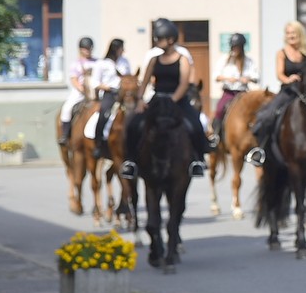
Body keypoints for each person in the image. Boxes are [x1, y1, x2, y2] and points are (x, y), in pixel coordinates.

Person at [121, 18, 211, 178]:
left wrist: (172, 100)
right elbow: (145, 81)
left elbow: (184, 84)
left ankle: (198, 160)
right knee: (133, 124)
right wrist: (140, 100)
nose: (157, 41)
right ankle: (131, 161)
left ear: (170, 40)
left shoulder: (182, 59)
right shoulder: (154, 60)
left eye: (160, 39)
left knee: (195, 124)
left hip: (177, 99)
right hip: (157, 99)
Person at [246, 21, 306, 166]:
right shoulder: (281, 53)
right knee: (267, 115)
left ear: (299, 34)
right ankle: (260, 150)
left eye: (293, 33)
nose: (290, 36)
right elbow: (279, 74)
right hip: (288, 91)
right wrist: (289, 79)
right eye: (288, 33)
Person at [213, 33, 259, 137]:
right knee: (220, 109)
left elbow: (256, 77)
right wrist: (228, 79)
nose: (235, 49)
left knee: (255, 111)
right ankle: (216, 136)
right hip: (229, 92)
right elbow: (216, 76)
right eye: (234, 47)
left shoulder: (249, 61)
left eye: (238, 47)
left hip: (243, 93)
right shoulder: (225, 60)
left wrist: (247, 79)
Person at [91, 38, 131, 154]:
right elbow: (95, 82)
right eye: (122, 48)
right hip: (110, 93)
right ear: (116, 49)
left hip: (124, 94)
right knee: (104, 113)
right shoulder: (102, 63)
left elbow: (128, 77)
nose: (123, 51)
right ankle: (98, 144)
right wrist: (107, 87)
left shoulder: (125, 62)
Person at [57, 37, 95, 146]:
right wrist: (82, 89)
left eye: (89, 48)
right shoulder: (76, 63)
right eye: (85, 48)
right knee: (67, 108)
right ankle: (65, 134)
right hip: (80, 92)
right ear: (80, 49)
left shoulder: (97, 62)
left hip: (95, 92)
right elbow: (74, 79)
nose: (87, 50)